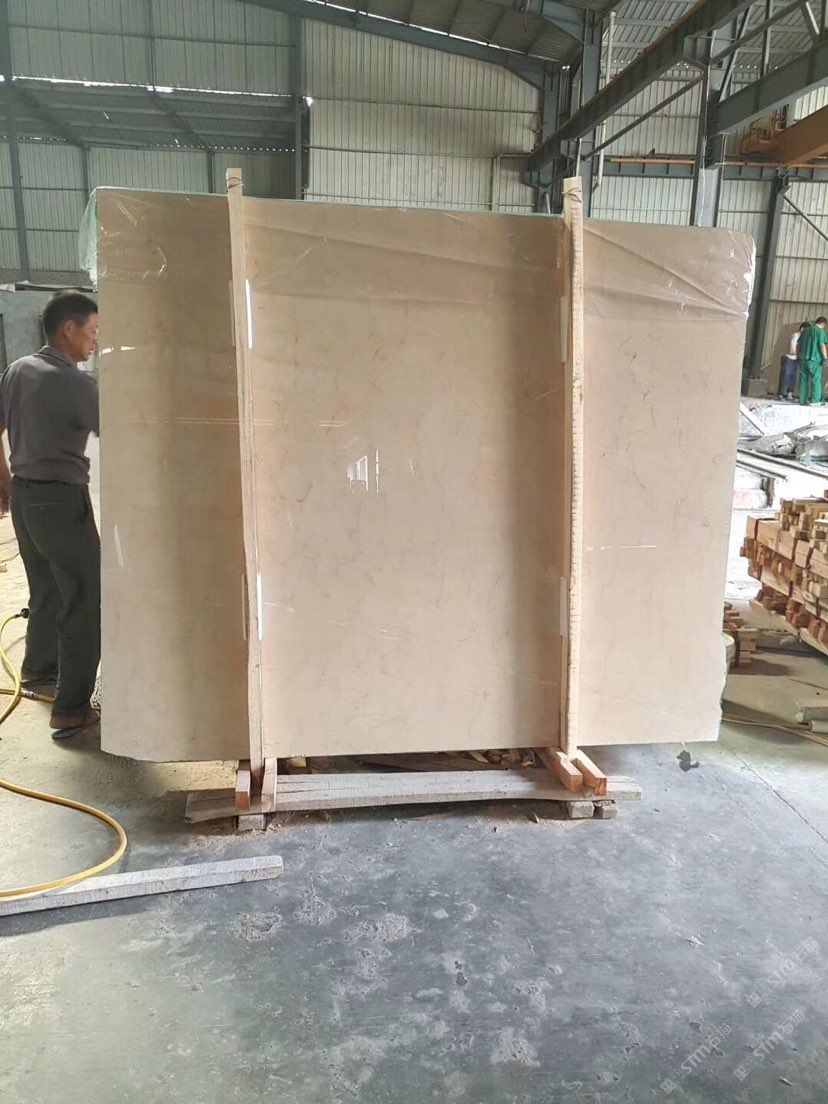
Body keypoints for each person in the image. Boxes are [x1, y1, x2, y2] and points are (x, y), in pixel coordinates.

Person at [0, 292, 101, 734]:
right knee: (85, 600)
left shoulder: (17, 369)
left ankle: (39, 670)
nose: (95, 341)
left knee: (46, 589)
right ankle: (71, 707)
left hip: (24, 498)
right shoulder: (77, 384)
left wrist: (5, 481)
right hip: (61, 501)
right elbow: (125, 433)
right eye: (92, 331)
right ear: (68, 329)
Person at [797, 316, 828, 406]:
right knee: (815, 380)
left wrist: (798, 356)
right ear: (822, 324)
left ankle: (802, 400)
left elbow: (798, 345)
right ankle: (814, 401)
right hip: (814, 360)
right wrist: (825, 358)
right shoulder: (820, 331)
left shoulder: (804, 331)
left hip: (803, 360)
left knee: (803, 380)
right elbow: (822, 345)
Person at [778, 322, 807, 400]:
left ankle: (789, 393)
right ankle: (781, 394)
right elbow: (791, 349)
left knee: (792, 377)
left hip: (794, 359)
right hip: (788, 358)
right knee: (785, 376)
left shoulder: (800, 337)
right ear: (802, 329)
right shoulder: (795, 336)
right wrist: (799, 354)